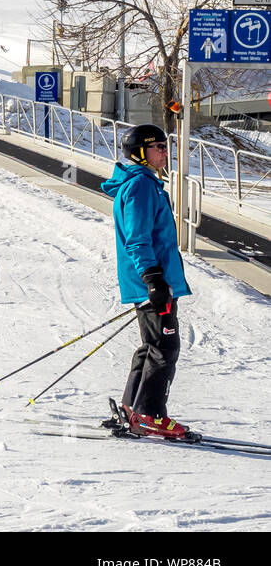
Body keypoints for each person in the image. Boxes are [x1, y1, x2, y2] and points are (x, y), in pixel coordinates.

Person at [101, 125, 192, 439]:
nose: (165, 153)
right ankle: (150, 413)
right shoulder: (140, 186)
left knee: (152, 347)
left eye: (166, 147)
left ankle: (133, 407)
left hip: (153, 280)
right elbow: (138, 240)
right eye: (158, 147)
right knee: (165, 348)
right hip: (151, 281)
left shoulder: (147, 184)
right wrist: (154, 280)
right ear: (140, 152)